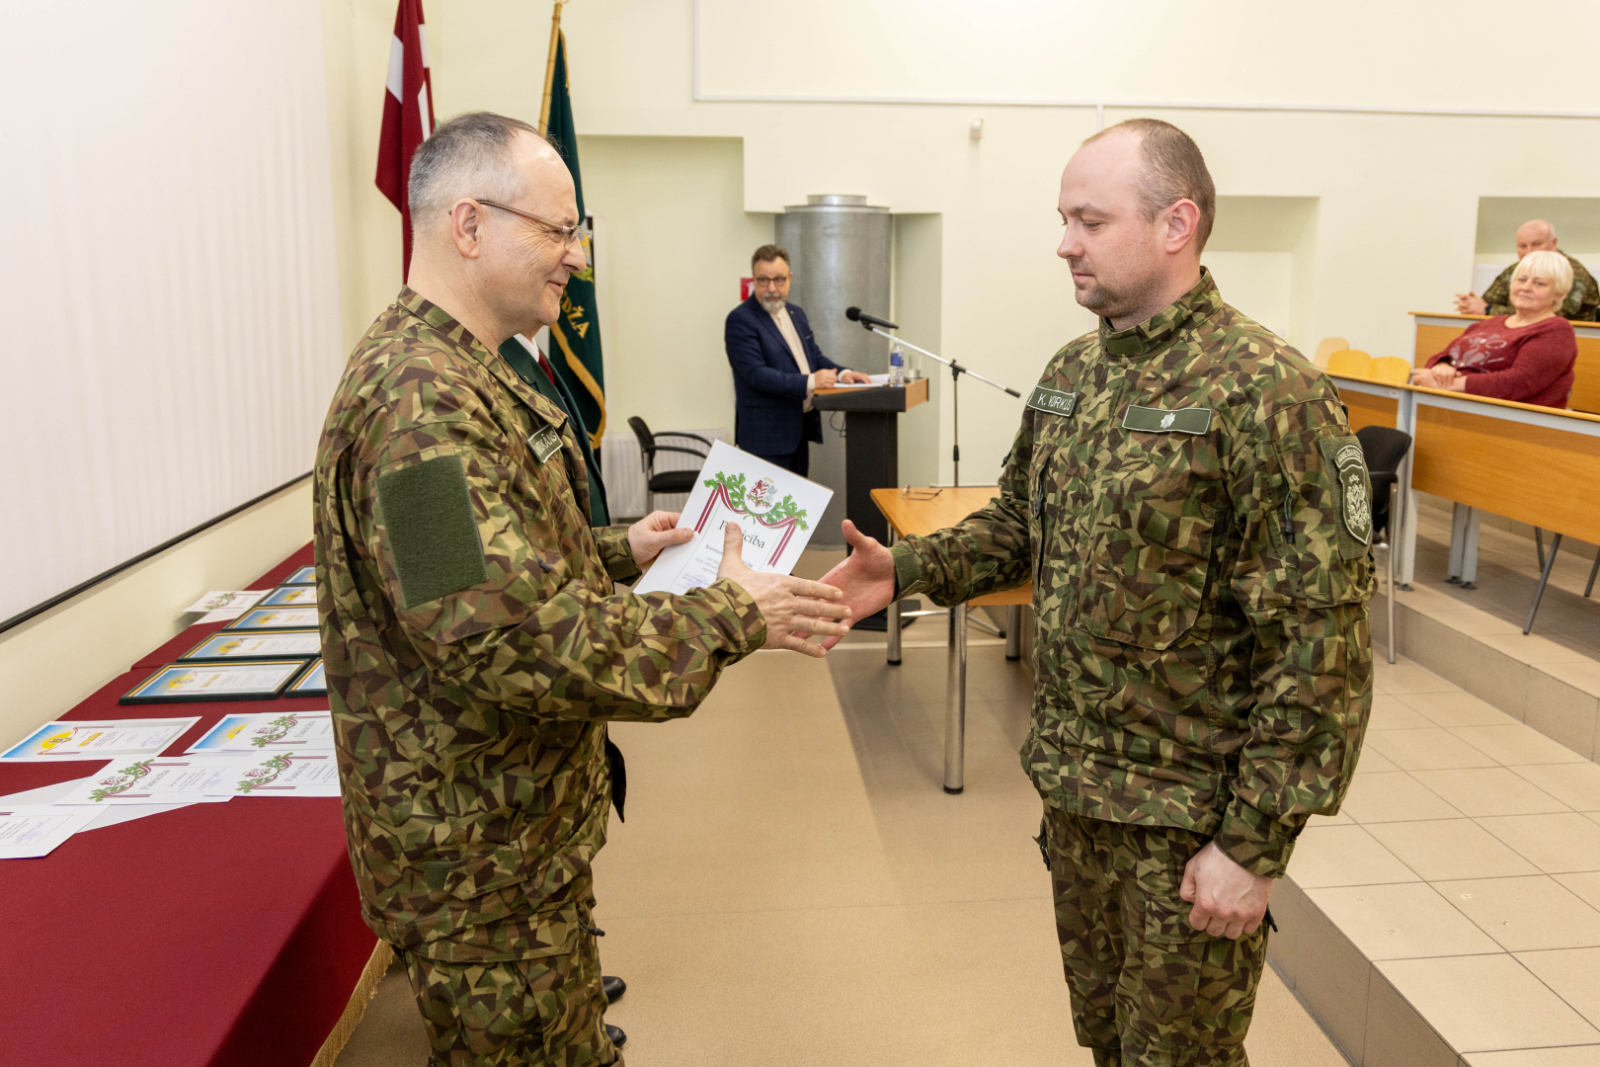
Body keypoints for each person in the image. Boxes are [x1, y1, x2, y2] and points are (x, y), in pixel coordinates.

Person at [820, 119, 1372, 1066]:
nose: (1064, 241)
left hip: (1187, 819)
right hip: (1078, 797)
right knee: (1111, 1045)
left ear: (1176, 224)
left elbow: (1320, 648)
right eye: (1063, 218)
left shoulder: (1268, 390)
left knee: (1183, 1058)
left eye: (1088, 219)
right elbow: (1018, 528)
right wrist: (903, 571)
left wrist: (1253, 846)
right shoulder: (1075, 372)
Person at [312, 111, 852, 1067]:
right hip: (480, 861)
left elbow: (472, 573)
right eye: (559, 231)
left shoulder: (460, 373)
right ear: (468, 225)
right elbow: (496, 639)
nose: (576, 258)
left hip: (508, 835)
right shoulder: (420, 405)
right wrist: (735, 610)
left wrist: (614, 549)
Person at [724, 245, 872, 475]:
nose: (771, 288)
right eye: (763, 280)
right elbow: (756, 374)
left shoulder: (796, 313)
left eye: (779, 279)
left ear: (790, 278)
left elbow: (813, 357)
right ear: (753, 279)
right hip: (765, 438)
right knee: (766, 509)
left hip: (797, 432)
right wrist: (811, 382)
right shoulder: (740, 320)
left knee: (796, 509)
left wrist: (843, 373)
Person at [1419, 250, 1578, 407]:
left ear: (1558, 294)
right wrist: (1441, 368)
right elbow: (1443, 355)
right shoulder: (1489, 323)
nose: (1526, 288)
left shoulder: (1557, 330)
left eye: (1539, 283)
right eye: (1521, 280)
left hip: (1513, 423)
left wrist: (1451, 384)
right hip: (1458, 407)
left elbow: (1520, 382)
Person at [1455, 219, 1598, 322]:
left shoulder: (1571, 272)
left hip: (1573, 339)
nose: (1529, 252)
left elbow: (1553, 315)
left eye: (1536, 244)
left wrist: (1488, 310)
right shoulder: (1516, 269)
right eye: (1523, 246)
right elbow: (1487, 301)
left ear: (1553, 243)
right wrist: (1471, 305)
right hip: (1519, 330)